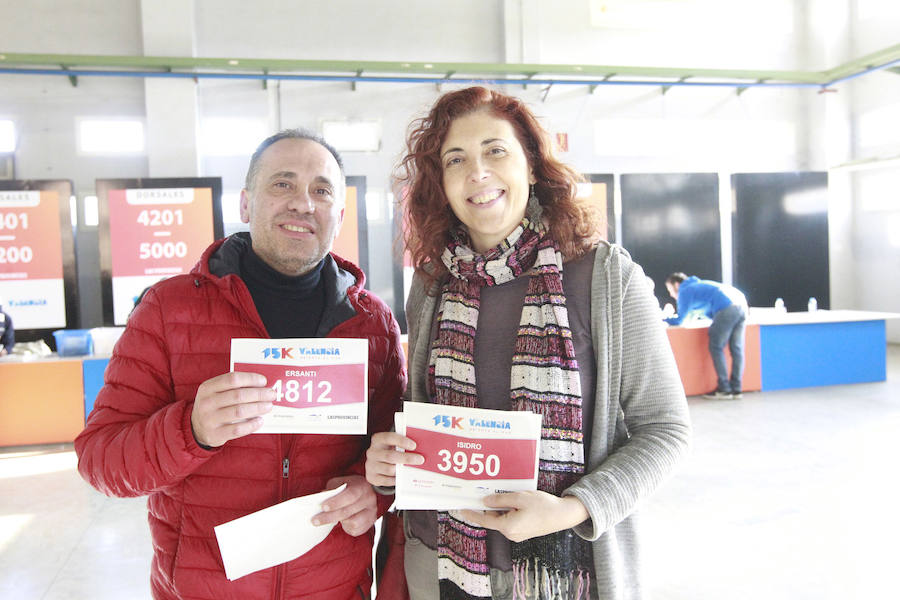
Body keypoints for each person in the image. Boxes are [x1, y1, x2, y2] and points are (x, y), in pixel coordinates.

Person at [365, 87, 691, 599]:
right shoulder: (432, 284)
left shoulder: (606, 277)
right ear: (442, 184)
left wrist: (572, 508)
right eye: (456, 159)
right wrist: (391, 456)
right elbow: (427, 417)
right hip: (439, 564)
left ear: (533, 167)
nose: (477, 172)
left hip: (564, 568)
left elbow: (666, 431)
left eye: (495, 150)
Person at [75, 129, 406, 600]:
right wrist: (191, 430)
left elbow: (393, 455)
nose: (303, 203)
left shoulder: (372, 323)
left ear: (340, 214)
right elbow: (100, 460)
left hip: (331, 587)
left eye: (321, 190)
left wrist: (373, 492)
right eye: (282, 184)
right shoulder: (169, 310)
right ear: (246, 204)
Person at [664, 272, 748, 400]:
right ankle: (736, 389)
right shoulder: (699, 286)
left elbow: (681, 320)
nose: (671, 294)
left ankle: (724, 389)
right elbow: (691, 316)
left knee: (716, 347)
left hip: (726, 309)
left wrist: (663, 319)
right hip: (741, 307)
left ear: (676, 284)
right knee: (736, 350)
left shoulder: (685, 290)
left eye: (670, 290)